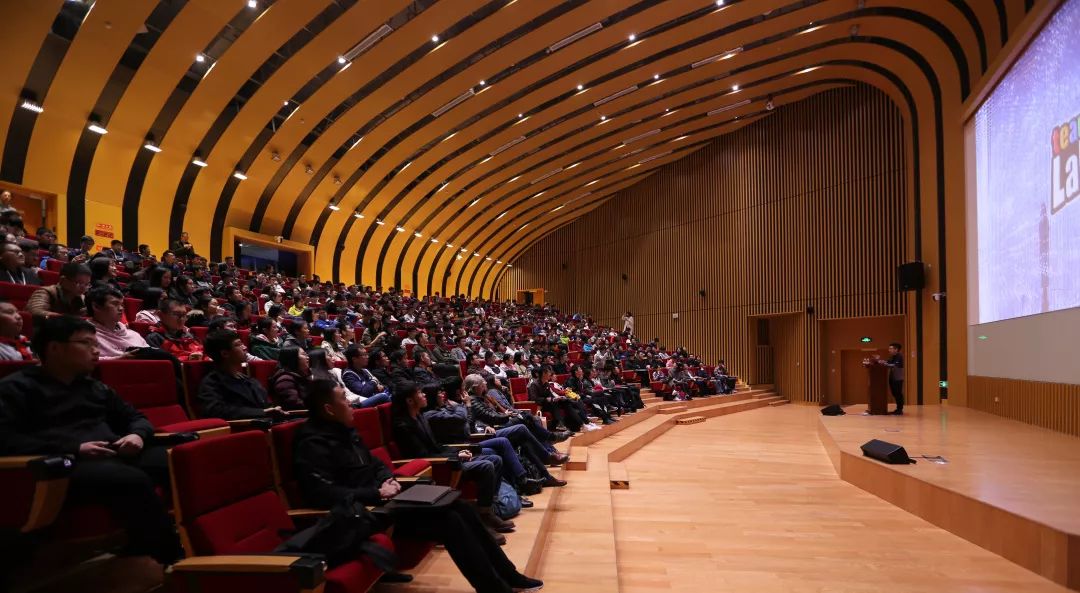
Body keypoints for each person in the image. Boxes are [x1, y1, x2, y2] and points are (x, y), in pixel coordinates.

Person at [293, 379, 544, 593]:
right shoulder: (312, 444)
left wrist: (388, 478)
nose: (350, 403)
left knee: (462, 508)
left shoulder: (346, 432)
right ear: (328, 409)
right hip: (363, 513)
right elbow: (322, 493)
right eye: (343, 399)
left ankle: (509, 575)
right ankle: (495, 588)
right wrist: (376, 491)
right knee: (450, 521)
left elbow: (375, 464)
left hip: (385, 501)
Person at [0, 316, 183, 565]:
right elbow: (7, 439)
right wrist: (74, 448)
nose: (96, 350)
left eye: (96, 343)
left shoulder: (94, 387)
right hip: (62, 466)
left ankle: (188, 536)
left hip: (112, 453)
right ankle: (171, 557)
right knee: (128, 478)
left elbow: (136, 418)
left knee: (175, 460)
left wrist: (136, 435)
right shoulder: (15, 389)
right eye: (86, 343)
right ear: (54, 348)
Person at [390, 381, 514, 537]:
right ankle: (483, 518)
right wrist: (455, 457)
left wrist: (458, 451)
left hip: (445, 460)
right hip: (435, 469)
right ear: (409, 400)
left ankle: (488, 510)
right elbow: (422, 455)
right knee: (486, 466)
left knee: (495, 459)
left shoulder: (419, 417)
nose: (424, 395)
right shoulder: (403, 425)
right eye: (420, 393)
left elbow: (436, 446)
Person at [197, 329, 289, 421]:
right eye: (238, 344)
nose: (244, 347)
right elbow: (216, 411)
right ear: (225, 353)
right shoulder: (212, 383)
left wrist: (275, 411)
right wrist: (262, 412)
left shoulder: (248, 379)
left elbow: (267, 405)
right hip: (244, 427)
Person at [86, 286, 149, 359]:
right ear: (96, 307)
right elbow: (82, 361)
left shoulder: (134, 335)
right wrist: (118, 359)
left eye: (122, 305)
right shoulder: (84, 336)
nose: (121, 308)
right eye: (115, 304)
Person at [879, 342, 905, 415]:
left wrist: (885, 364)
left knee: (898, 393)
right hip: (892, 377)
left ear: (896, 349)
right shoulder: (892, 356)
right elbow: (888, 362)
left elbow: (894, 365)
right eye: (889, 348)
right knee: (894, 393)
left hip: (897, 378)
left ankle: (900, 409)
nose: (889, 350)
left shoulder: (899, 356)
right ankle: (898, 409)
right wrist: (882, 362)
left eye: (891, 348)